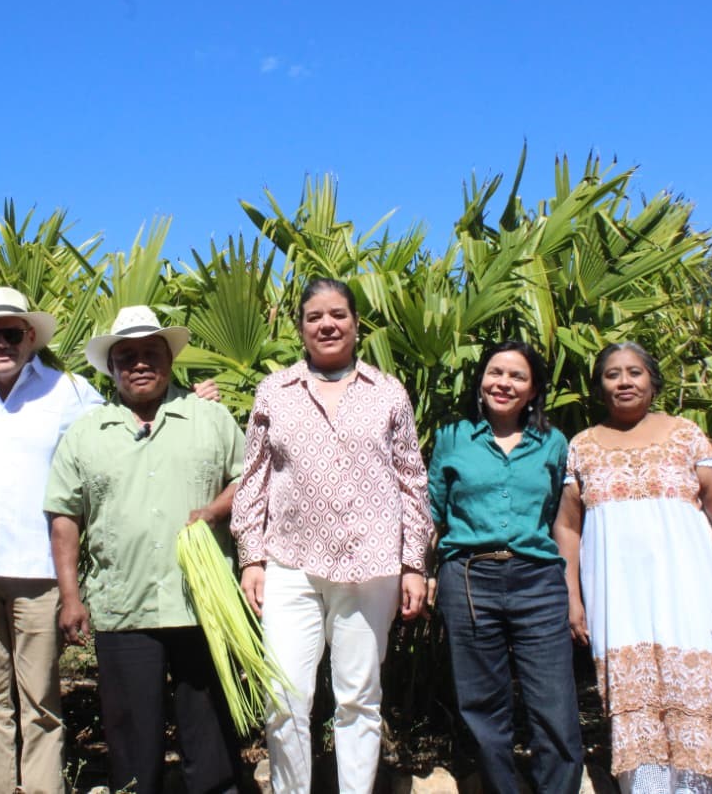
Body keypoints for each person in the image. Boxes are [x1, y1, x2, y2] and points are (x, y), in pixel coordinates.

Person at [231, 277, 435, 794]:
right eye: (315, 316)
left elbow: (412, 479)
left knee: (358, 697)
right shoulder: (274, 392)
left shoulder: (388, 391)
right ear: (300, 327)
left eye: (338, 314)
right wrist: (251, 558)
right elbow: (253, 477)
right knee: (285, 696)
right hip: (290, 563)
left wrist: (415, 564)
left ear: (356, 323)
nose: (327, 324)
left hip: (371, 565)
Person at [46, 305, 245, 794]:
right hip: (123, 607)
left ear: (169, 360)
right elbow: (64, 517)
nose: (139, 363)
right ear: (111, 367)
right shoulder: (86, 435)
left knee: (212, 737)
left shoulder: (210, 419)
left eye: (150, 353)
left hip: (202, 606)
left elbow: (249, 479)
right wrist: (70, 597)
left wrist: (216, 510)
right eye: (127, 355)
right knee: (133, 745)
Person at [553, 341, 712, 794]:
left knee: (694, 695)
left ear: (652, 381)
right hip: (618, 601)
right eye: (612, 374)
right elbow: (568, 527)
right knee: (633, 701)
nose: (624, 381)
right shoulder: (582, 446)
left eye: (635, 372)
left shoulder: (685, 434)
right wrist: (572, 597)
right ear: (600, 386)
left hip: (688, 593)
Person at [0, 286, 104, 794]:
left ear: (30, 336)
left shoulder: (68, 391)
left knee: (40, 700)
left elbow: (116, 429)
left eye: (12, 333)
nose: (2, 344)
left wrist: (190, 400)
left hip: (38, 569)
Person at [428, 341, 584, 792]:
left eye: (518, 376)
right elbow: (433, 513)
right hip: (470, 580)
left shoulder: (553, 444)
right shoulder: (452, 438)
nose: (504, 383)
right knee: (482, 705)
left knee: (553, 703)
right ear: (481, 379)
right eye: (496, 372)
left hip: (538, 580)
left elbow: (559, 515)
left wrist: (572, 591)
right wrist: (427, 572)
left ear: (534, 389)